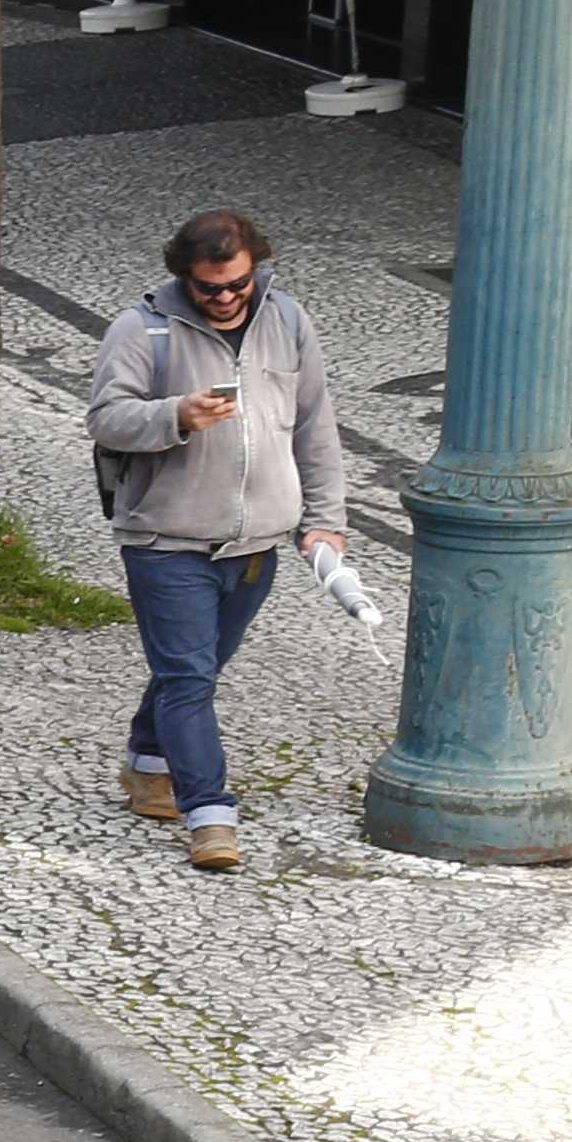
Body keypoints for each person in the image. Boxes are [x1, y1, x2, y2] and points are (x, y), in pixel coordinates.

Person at [88, 208, 341, 876]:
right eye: (211, 289)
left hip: (258, 542)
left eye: (239, 284)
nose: (227, 298)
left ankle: (146, 760)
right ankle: (210, 814)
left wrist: (324, 518)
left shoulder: (287, 321)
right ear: (185, 280)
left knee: (191, 670)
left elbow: (314, 425)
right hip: (166, 540)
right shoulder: (142, 330)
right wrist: (175, 414)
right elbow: (106, 418)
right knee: (190, 676)